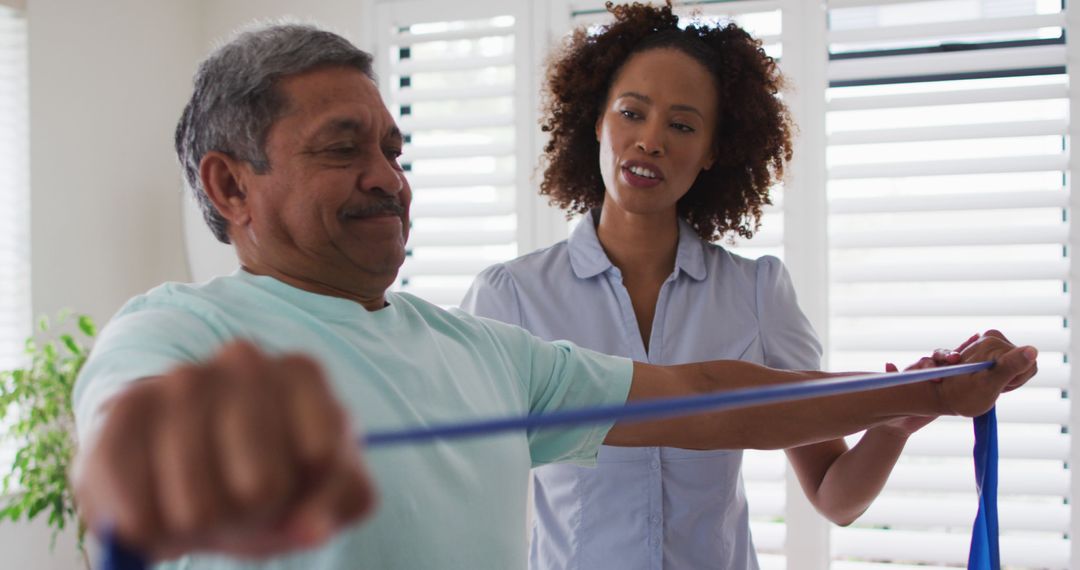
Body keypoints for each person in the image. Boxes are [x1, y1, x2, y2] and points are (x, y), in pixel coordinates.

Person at [71, 22, 1038, 570]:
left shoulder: (484, 354)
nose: (386, 179)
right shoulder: (180, 328)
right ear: (230, 187)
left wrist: (922, 397)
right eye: (341, 149)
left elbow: (711, 396)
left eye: (393, 152)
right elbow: (130, 428)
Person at [460, 3, 997, 569]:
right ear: (597, 120)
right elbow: (463, 485)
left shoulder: (757, 292)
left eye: (682, 125)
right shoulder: (510, 297)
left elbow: (836, 497)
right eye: (631, 112)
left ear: (715, 150)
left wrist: (894, 426)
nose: (650, 141)